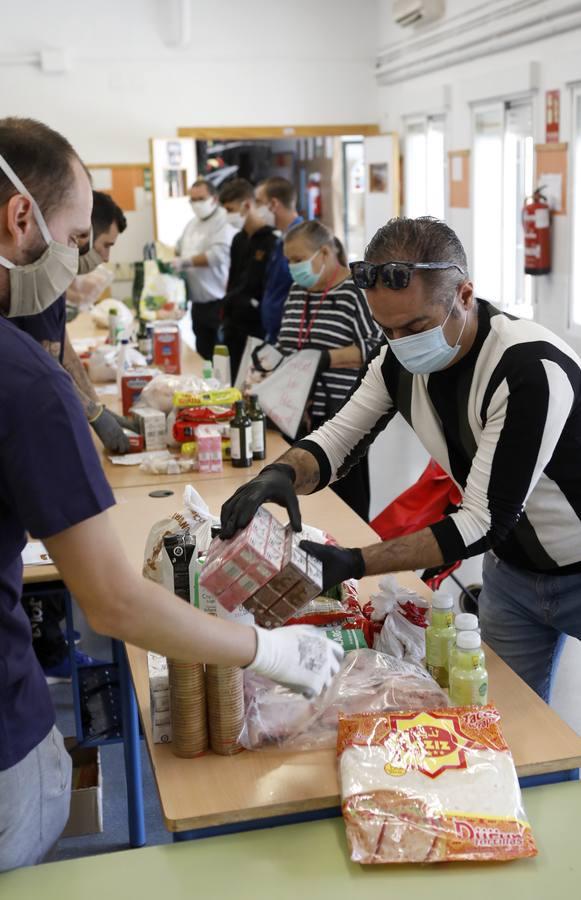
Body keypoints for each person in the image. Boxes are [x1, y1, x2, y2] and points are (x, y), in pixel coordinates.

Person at [0, 117, 342, 873]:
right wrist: (270, 648)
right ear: (21, 218)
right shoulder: (23, 381)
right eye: (76, 238)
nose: (80, 260)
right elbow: (114, 603)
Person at [220, 215, 581, 704]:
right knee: (501, 719)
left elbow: (481, 520)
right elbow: (338, 440)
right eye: (387, 329)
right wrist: (280, 473)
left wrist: (353, 562)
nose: (402, 342)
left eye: (416, 326)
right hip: (513, 575)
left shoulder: (527, 368)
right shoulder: (397, 360)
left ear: (465, 296)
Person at [274, 220, 382, 520]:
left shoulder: (356, 292)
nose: (292, 267)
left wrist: (325, 358)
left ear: (324, 252)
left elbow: (378, 346)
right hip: (297, 412)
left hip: (343, 415)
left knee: (347, 504)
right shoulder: (298, 291)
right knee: (306, 502)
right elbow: (285, 344)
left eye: (297, 259)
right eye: (289, 261)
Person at [12, 189, 133, 455]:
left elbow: (65, 354)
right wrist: (93, 413)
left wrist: (99, 407)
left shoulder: (57, 279)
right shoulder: (40, 280)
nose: (106, 258)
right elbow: (46, 364)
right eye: (106, 245)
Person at [219, 178, 278, 381]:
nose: (228, 215)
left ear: (247, 204)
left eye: (230, 209)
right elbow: (233, 279)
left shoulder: (272, 241)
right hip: (233, 324)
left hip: (257, 327)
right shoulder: (238, 239)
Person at [174, 179, 235, 361]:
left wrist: (186, 262)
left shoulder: (224, 220)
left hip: (218, 301)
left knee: (220, 356)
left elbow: (218, 256)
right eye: (192, 200)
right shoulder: (192, 224)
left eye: (201, 198)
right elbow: (179, 247)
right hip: (198, 303)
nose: (197, 204)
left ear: (214, 199)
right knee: (202, 354)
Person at [255, 176, 302, 342]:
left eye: (259, 202)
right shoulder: (280, 240)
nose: (255, 209)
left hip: (292, 337)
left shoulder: (303, 240)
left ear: (274, 204)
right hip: (274, 334)